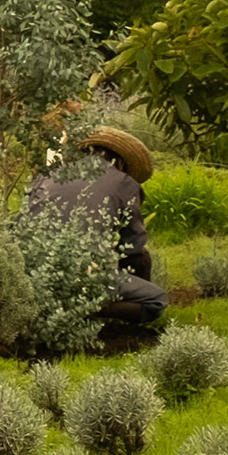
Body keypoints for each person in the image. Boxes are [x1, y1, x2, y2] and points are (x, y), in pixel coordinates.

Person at [28, 125, 166, 348]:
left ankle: (53, 307)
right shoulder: (124, 183)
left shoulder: (48, 176)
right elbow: (134, 247)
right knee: (156, 300)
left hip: (31, 275)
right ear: (120, 163)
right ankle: (87, 311)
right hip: (78, 276)